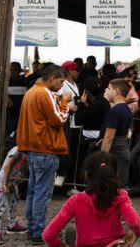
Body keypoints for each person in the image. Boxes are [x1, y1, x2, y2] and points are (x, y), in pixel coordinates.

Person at [16, 64, 71, 244]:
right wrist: (65, 103)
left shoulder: (31, 92)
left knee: (34, 191)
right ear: (52, 78)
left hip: (33, 148)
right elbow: (58, 120)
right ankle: (38, 231)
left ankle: (33, 227)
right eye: (61, 81)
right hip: (46, 148)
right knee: (42, 193)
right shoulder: (44, 93)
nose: (62, 85)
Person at [42, 152, 140, 247]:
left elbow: (48, 235)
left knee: (71, 231)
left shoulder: (76, 200)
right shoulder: (120, 196)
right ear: (115, 174)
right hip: (113, 243)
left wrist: (58, 245)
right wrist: (136, 234)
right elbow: (135, 223)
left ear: (86, 175)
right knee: (126, 228)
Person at [72, 77, 111, 187]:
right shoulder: (102, 102)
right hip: (98, 138)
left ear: (87, 92)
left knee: (89, 166)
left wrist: (81, 104)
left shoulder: (97, 104)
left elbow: (79, 119)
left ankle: (87, 187)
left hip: (93, 140)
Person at [99, 79, 132, 187]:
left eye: (109, 88)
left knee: (110, 186)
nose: (106, 91)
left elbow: (108, 137)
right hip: (123, 150)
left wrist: (102, 158)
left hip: (114, 152)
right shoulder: (126, 109)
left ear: (117, 91)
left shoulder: (115, 111)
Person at [55, 61, 82, 190]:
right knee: (64, 151)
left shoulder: (75, 85)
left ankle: (70, 184)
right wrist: (70, 107)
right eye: (76, 70)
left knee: (72, 154)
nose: (78, 72)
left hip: (75, 124)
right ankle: (60, 176)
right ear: (70, 71)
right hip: (65, 121)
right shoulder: (62, 84)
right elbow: (57, 100)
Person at [0, 143, 28, 244]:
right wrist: (5, 184)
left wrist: (18, 176)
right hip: (3, 182)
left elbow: (16, 167)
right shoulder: (17, 150)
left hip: (12, 182)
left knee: (13, 204)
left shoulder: (25, 152)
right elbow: (7, 167)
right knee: (0, 208)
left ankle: (12, 226)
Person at [5, 62, 28, 138]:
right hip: (10, 114)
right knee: (9, 135)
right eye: (10, 69)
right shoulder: (6, 81)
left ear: (19, 70)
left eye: (14, 69)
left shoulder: (25, 81)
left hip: (22, 113)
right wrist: (5, 97)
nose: (12, 71)